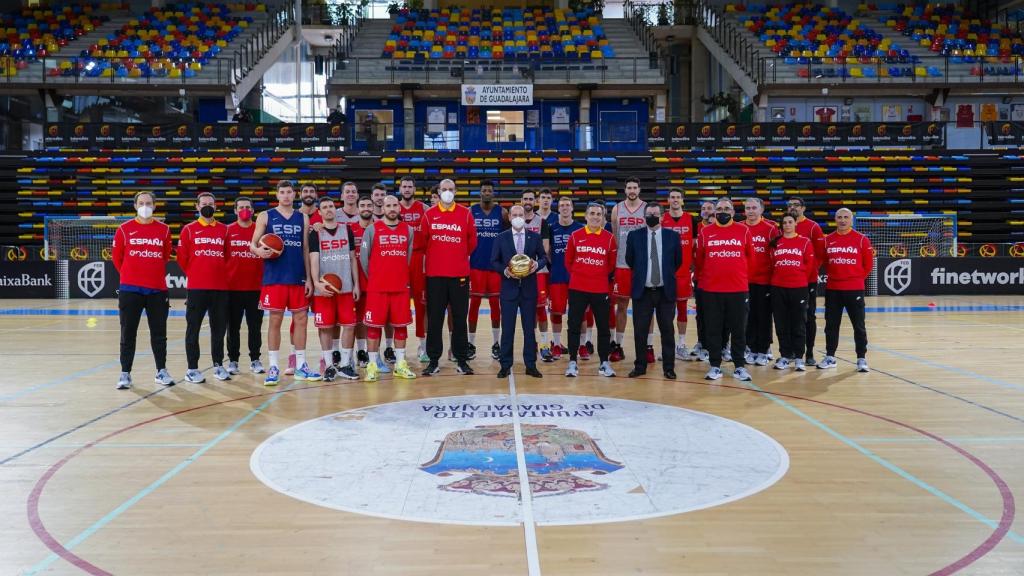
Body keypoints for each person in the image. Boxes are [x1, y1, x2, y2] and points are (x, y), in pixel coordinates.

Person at [250, 180, 321, 385]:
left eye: (290, 192)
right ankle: (273, 366)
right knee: (275, 321)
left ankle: (301, 365)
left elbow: (306, 249)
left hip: (297, 276)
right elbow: (253, 243)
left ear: (294, 195)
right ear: (277, 195)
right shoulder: (265, 216)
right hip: (274, 277)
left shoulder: (303, 217)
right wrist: (258, 251)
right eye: (283, 192)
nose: (287, 196)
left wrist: (309, 278)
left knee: (301, 320)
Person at [112, 191, 174, 389]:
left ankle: (161, 371)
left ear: (155, 206)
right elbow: (117, 258)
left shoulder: (164, 230)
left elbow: (164, 257)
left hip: (157, 290)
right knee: (128, 333)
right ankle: (125, 373)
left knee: (159, 333)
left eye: (148, 203)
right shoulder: (123, 229)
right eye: (141, 203)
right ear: (135, 206)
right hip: (130, 290)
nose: (145, 206)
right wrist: (132, 274)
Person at [695, 197, 754, 382]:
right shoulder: (706, 232)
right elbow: (700, 261)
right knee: (713, 329)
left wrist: (740, 278)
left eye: (726, 208)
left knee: (738, 329)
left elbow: (750, 258)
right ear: (714, 211)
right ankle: (714, 365)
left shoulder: (743, 230)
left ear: (733, 212)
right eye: (719, 208)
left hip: (737, 289)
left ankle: (739, 366)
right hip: (712, 290)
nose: (723, 211)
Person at [422, 178, 477, 376]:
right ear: (438, 191)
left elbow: (472, 242)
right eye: (444, 189)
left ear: (456, 191)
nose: (447, 192)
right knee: (435, 319)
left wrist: (457, 257)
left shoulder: (465, 214)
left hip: (459, 275)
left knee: (460, 319)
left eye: (450, 189)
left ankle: (461, 359)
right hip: (435, 275)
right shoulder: (429, 215)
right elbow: (423, 242)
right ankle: (433, 360)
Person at [360, 195, 418, 381]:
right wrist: (377, 277)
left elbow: (407, 258)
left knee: (401, 327)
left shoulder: (408, 230)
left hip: (400, 288)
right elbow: (364, 259)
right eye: (388, 205)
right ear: (382, 208)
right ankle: (372, 365)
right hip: (377, 288)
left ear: (399, 208)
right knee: (373, 328)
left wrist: (398, 275)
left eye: (395, 205)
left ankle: (400, 364)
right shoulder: (371, 229)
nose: (392, 208)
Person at [177, 192, 231, 383]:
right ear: (197, 207)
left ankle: (218, 365)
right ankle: (192, 369)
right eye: (204, 203)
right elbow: (182, 259)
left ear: (215, 207)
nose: (207, 206)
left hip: (220, 288)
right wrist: (197, 273)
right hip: (197, 288)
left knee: (219, 329)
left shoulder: (224, 230)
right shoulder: (189, 230)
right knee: (194, 329)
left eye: (211, 203)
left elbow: (227, 256)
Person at [625, 203, 682, 379]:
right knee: (640, 331)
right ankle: (640, 366)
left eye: (655, 214)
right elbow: (630, 260)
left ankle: (669, 368)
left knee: (667, 331)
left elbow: (677, 261)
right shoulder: (634, 236)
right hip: (643, 291)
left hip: (666, 291)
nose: (652, 216)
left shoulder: (672, 236)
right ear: (644, 216)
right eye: (649, 214)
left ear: (662, 216)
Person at [491, 204, 547, 378]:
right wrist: (506, 271)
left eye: (520, 214)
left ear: (525, 216)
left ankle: (530, 365)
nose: (517, 217)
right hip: (508, 290)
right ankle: (505, 365)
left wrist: (536, 265)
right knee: (507, 329)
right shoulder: (501, 237)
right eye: (514, 214)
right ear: (509, 217)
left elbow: (544, 258)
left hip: (529, 290)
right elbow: (494, 261)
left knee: (529, 330)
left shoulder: (535, 237)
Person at [308, 196, 361, 381]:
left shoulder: (346, 230)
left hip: (346, 287)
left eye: (331, 206)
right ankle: (329, 365)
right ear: (320, 212)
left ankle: (346, 364)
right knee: (325, 328)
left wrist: (356, 284)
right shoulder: (315, 233)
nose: (329, 209)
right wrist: (316, 283)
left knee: (349, 326)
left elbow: (353, 258)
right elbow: (313, 259)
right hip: (324, 289)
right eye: (324, 207)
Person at [564, 202, 617, 378]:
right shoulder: (575, 236)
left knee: (603, 327)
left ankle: (604, 362)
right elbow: (568, 262)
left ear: (603, 218)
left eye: (599, 214)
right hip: (578, 288)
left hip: (600, 289)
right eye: (592, 213)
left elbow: (611, 264)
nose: (595, 217)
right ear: (586, 216)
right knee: (573, 326)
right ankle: (572, 362)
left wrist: (596, 275)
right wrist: (582, 274)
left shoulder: (609, 238)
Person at [819, 208, 873, 372]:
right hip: (833, 289)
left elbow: (868, 265)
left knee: (859, 326)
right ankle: (830, 356)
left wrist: (855, 279)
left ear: (851, 219)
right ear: (835, 219)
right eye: (839, 217)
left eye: (846, 217)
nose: (842, 220)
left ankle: (861, 359)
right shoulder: (828, 240)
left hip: (854, 289)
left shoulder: (862, 239)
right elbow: (826, 263)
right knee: (831, 325)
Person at [768, 213, 815, 371]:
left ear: (795, 224)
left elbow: (809, 265)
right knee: (781, 323)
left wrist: (799, 278)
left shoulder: (804, 242)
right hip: (778, 287)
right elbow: (772, 263)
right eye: (784, 222)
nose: (787, 225)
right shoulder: (776, 242)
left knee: (798, 323)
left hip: (799, 288)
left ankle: (799, 358)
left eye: (790, 222)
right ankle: (785, 356)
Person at [226, 196, 265, 375]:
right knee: (232, 327)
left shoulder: (261, 230)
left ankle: (255, 359)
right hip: (232, 289)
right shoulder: (227, 231)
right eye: (240, 207)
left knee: (255, 327)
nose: (244, 210)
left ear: (252, 210)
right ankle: (233, 360)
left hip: (255, 288)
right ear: (235, 210)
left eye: (247, 207)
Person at [610, 177, 647, 363]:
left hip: (642, 266)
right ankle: (618, 345)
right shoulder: (617, 209)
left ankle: (647, 346)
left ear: (639, 189)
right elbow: (615, 237)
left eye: (635, 187)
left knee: (645, 308)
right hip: (622, 264)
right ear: (625, 190)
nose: (632, 190)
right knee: (622, 306)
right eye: (629, 187)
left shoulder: (647, 208)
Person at [469, 180, 507, 361]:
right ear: (480, 192)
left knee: (495, 306)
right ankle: (471, 343)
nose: (486, 193)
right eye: (484, 190)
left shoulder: (503, 212)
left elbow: (508, 238)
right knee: (474, 305)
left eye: (489, 190)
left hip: (495, 267)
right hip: (475, 265)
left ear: (493, 193)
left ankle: (496, 343)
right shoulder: (471, 211)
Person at [742, 197, 780, 366]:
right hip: (744, 281)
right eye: (748, 208)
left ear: (761, 210)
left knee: (764, 316)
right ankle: (750, 347)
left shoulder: (771, 229)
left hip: (764, 280)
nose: (750, 211)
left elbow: (777, 255)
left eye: (754, 208)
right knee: (748, 316)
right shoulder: (740, 228)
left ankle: (764, 350)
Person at [660, 189, 697, 360]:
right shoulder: (662, 219)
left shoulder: (691, 219)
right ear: (668, 200)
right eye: (672, 197)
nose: (675, 200)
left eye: (678, 197)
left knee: (682, 310)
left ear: (682, 200)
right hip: (664, 273)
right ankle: (667, 347)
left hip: (683, 273)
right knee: (665, 313)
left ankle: (681, 345)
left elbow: (695, 246)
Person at [788, 197, 825, 366]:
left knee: (808, 317)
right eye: (789, 205)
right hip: (789, 282)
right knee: (790, 317)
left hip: (807, 281)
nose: (792, 208)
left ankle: (809, 353)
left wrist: (806, 273)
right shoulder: (785, 226)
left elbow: (820, 255)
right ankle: (792, 352)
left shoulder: (813, 227)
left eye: (796, 205)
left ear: (803, 208)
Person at [548, 196, 584, 361]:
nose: (564, 207)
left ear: (572, 208)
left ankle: (582, 346)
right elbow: (547, 252)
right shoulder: (551, 228)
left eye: (567, 205)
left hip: (577, 277)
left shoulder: (580, 228)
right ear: (558, 208)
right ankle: (556, 344)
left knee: (580, 313)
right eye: (561, 205)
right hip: (557, 275)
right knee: (556, 312)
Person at [397, 176, 429, 361]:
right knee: (398, 304)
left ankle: (422, 347)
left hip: (419, 258)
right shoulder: (394, 208)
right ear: (400, 189)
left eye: (410, 186)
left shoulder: (424, 209)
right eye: (404, 186)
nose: (407, 189)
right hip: (399, 258)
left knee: (421, 305)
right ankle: (394, 348)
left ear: (414, 189)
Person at [520, 189, 554, 361]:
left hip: (538, 270)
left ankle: (544, 345)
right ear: (521, 200)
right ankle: (531, 343)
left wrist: (528, 261)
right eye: (525, 198)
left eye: (530, 199)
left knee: (541, 310)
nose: (527, 201)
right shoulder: (515, 220)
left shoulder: (542, 222)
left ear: (535, 201)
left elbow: (545, 248)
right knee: (527, 310)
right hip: (519, 272)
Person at [348, 196, 375, 369]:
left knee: (371, 320)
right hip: (354, 282)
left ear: (373, 207)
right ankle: (357, 352)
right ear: (357, 209)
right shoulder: (349, 229)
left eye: (368, 205)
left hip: (374, 281)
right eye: (362, 205)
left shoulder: (379, 227)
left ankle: (373, 353)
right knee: (355, 320)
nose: (366, 208)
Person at [689, 198, 716, 362]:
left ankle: (721, 344)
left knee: (718, 314)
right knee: (701, 313)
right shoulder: (696, 228)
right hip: (700, 277)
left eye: (709, 208)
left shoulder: (719, 229)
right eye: (703, 208)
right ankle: (701, 342)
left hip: (717, 278)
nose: (706, 210)